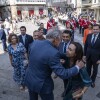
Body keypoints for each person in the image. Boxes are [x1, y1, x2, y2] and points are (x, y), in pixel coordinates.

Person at [25, 28, 85, 100]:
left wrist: (66, 55)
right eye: (60, 40)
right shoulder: (53, 53)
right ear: (56, 39)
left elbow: (37, 58)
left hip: (29, 79)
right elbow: (63, 74)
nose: (61, 42)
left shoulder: (35, 43)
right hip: (43, 85)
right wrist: (77, 67)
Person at [58, 30, 72, 97]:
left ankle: (71, 93)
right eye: (63, 36)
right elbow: (58, 54)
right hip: (63, 67)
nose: (65, 38)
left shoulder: (74, 45)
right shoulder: (60, 44)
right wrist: (59, 60)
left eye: (67, 37)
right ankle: (66, 91)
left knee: (71, 82)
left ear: (70, 37)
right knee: (65, 80)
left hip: (71, 67)